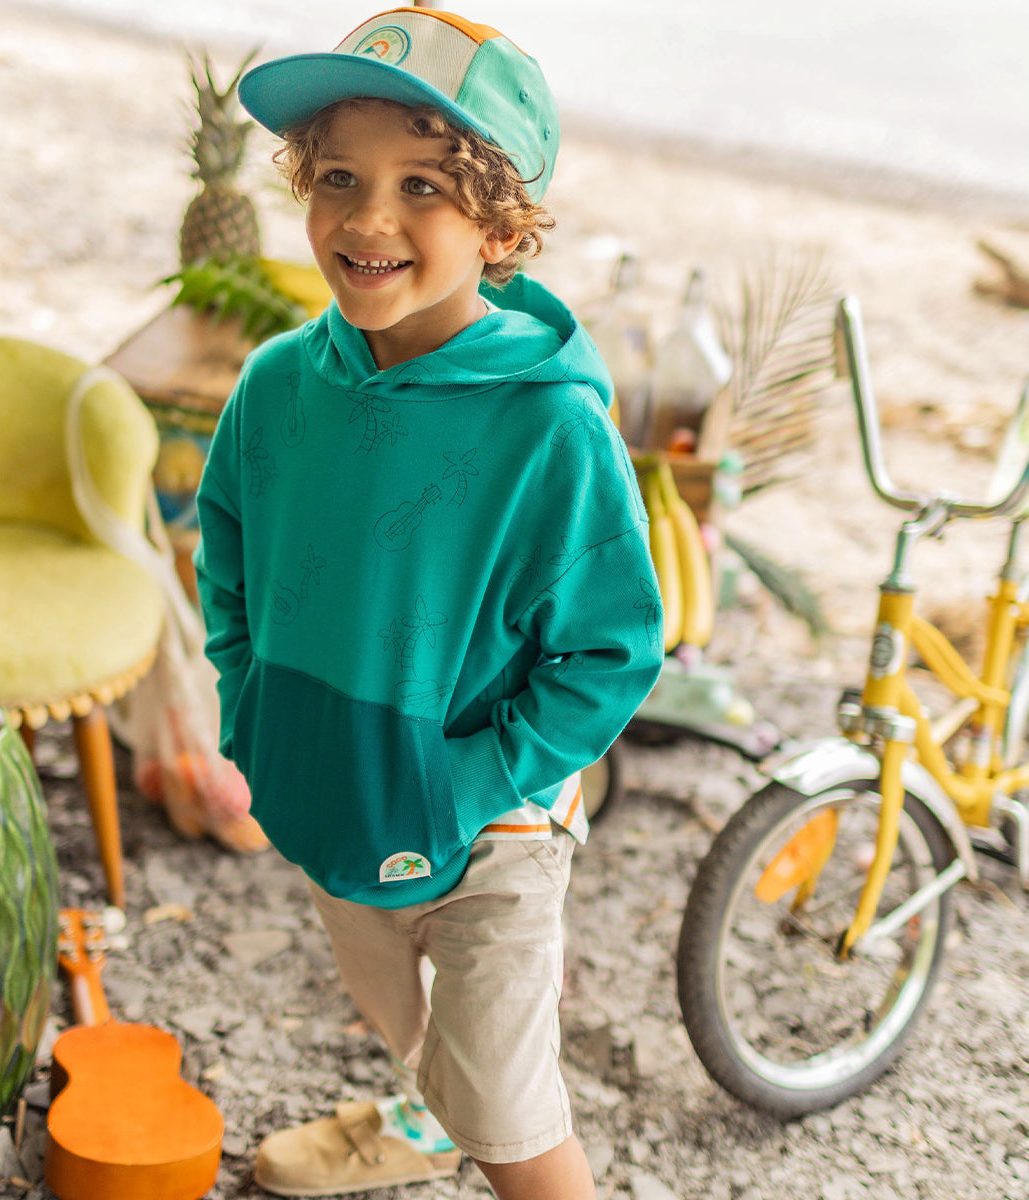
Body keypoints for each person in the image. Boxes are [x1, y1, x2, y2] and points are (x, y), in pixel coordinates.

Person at [194, 9, 664, 1198]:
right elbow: (229, 551)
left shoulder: (552, 429)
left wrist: (464, 783)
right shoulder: (275, 384)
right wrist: (254, 714)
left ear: (500, 227)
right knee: (407, 1028)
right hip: (328, 791)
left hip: (493, 824)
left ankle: (473, 1117)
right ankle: (427, 1106)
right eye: (338, 178)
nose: (367, 219)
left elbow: (611, 652)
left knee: (512, 1125)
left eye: (422, 187)